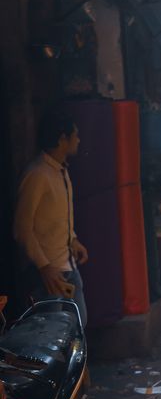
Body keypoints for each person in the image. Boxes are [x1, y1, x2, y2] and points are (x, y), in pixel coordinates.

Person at [13, 103, 88, 326]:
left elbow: (57, 216)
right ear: (62, 138)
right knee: (51, 339)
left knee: (77, 330)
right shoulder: (37, 174)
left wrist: (72, 239)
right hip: (48, 275)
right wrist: (44, 267)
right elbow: (22, 229)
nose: (79, 140)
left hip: (68, 267)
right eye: (75, 135)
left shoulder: (60, 171)